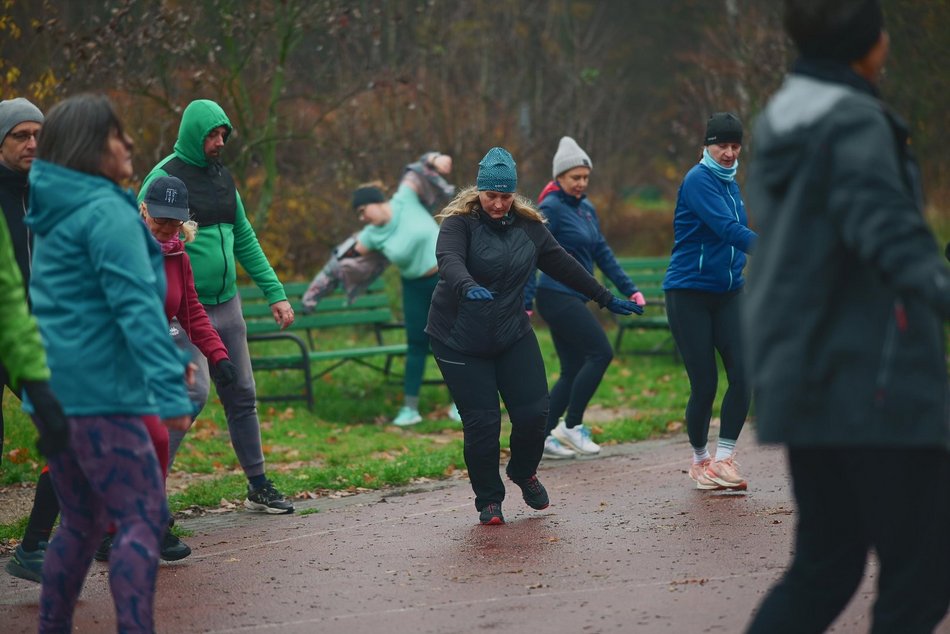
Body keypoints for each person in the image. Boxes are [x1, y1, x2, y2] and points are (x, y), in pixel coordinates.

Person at [744, 1, 950, 632]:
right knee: (924, 571)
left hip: (805, 373)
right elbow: (888, 232)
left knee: (826, 566)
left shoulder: (784, 119)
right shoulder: (853, 121)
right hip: (873, 382)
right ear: (868, 44)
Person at [26, 93, 193, 633]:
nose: (129, 145)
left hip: (55, 397)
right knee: (142, 519)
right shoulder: (107, 212)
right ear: (95, 148)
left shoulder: (54, 211)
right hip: (104, 399)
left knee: (78, 523)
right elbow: (136, 309)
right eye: (118, 136)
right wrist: (169, 391)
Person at [425, 147, 642, 525]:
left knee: (534, 414)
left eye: (505, 196)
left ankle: (523, 472)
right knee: (483, 423)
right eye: (490, 195)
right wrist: (466, 285)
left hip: (510, 332)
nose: (497, 204)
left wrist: (605, 298)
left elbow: (565, 265)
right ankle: (489, 500)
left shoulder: (529, 227)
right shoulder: (458, 224)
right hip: (458, 337)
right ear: (479, 192)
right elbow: (449, 261)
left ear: (514, 194)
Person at [139, 99, 295, 514]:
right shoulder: (163, 178)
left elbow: (244, 237)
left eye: (223, 134)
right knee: (191, 392)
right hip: (180, 310)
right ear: (194, 133)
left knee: (242, 391)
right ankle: (149, 493)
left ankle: (258, 483)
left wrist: (275, 292)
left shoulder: (224, 179)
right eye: (212, 134)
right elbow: (135, 236)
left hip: (227, 304)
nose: (219, 141)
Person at [528, 136, 645, 459]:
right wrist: (525, 301)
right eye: (574, 178)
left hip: (575, 296)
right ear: (559, 178)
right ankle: (572, 425)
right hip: (555, 295)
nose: (581, 183)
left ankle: (540, 438)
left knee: (572, 367)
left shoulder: (587, 209)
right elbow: (531, 253)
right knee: (600, 352)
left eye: (585, 177)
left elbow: (602, 253)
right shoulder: (549, 207)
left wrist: (629, 287)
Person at [662, 111, 756, 491]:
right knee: (704, 383)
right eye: (722, 145)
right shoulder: (698, 180)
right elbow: (728, 229)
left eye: (735, 146)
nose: (729, 153)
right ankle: (701, 461)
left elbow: (736, 232)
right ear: (707, 145)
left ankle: (724, 459)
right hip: (689, 294)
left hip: (729, 292)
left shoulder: (730, 183)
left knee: (743, 374)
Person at [0, 97, 63, 583]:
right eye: (20, 135)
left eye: (38, 134)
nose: (32, 144)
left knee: (73, 429)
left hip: (32, 336)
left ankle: (35, 544)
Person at [351, 181, 459, 425]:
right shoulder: (370, 234)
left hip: (443, 280)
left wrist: (436, 161)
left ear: (375, 202)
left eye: (362, 210)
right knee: (416, 344)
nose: (361, 218)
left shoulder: (405, 199)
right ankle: (409, 410)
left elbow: (422, 171)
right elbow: (347, 260)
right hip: (413, 287)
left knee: (451, 341)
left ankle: (460, 404)